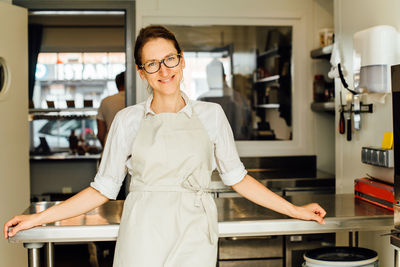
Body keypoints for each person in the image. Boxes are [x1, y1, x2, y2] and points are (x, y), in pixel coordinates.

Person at [4, 25, 326, 267]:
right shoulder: (128, 121)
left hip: (195, 230)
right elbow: (102, 189)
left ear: (182, 61)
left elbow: (237, 178)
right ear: (142, 73)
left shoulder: (211, 115)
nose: (164, 70)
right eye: (153, 64)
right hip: (143, 231)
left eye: (170, 59)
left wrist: (296, 210)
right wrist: (38, 219)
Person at [96, 71, 126, 147]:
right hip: (132, 149)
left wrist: (106, 147)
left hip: (111, 145)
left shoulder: (106, 101)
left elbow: (100, 134)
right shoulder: (137, 99)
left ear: (117, 84)